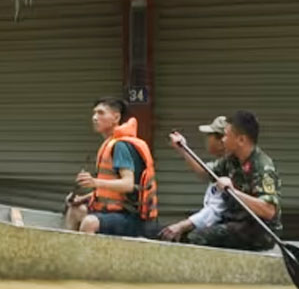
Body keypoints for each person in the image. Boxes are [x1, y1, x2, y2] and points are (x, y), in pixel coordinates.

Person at [168, 110, 280, 251]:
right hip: (236, 223)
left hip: (258, 231)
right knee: (184, 235)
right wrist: (183, 149)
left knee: (197, 238)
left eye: (226, 135)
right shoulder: (231, 160)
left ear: (241, 140)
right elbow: (204, 172)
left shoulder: (262, 166)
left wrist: (234, 192)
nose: (223, 140)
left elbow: (268, 210)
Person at [64, 97, 158, 237]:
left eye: (101, 113)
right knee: (76, 210)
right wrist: (83, 198)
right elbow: (110, 193)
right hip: (112, 212)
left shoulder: (120, 146)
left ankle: (88, 258)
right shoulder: (110, 143)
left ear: (116, 117)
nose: (95, 117)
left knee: (90, 223)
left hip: (132, 217)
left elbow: (128, 184)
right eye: (94, 113)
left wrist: (95, 182)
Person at [159, 115, 228, 242]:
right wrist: (183, 148)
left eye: (210, 136)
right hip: (218, 221)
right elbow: (203, 172)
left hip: (229, 225)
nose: (207, 140)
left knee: (190, 238)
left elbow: (216, 210)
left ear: (221, 141)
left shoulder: (232, 167)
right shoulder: (223, 163)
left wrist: (182, 226)